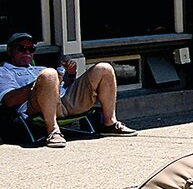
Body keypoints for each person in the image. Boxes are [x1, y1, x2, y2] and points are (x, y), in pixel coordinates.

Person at [1, 32, 137, 148]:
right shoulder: (4, 72)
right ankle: (53, 131)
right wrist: (40, 84)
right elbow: (9, 101)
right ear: (10, 51)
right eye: (21, 48)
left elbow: (65, 88)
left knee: (104, 68)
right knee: (49, 74)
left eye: (31, 49)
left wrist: (70, 75)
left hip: (66, 102)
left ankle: (109, 123)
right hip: (37, 107)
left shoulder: (39, 68)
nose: (27, 52)